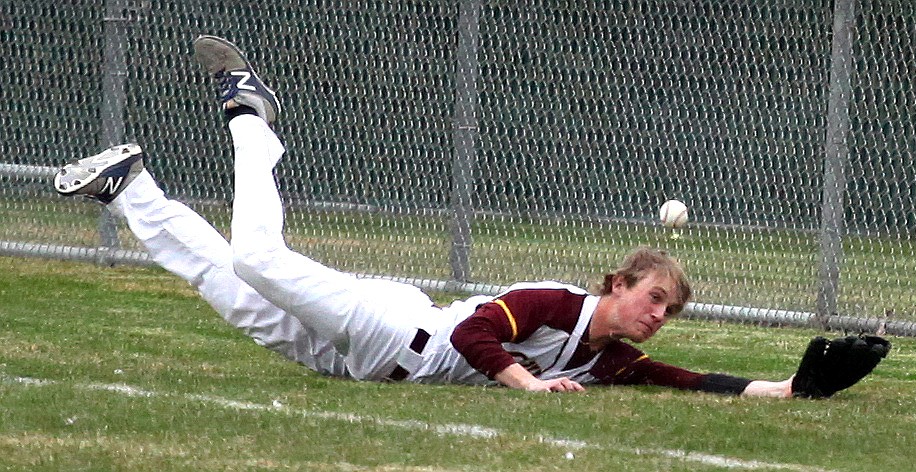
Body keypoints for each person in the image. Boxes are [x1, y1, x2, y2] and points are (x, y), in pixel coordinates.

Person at [54, 35, 794, 397]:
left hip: (355, 363)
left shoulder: (609, 359)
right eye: (654, 297)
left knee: (220, 279)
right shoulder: (555, 304)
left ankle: (129, 190)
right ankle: (252, 116)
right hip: (392, 327)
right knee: (255, 259)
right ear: (619, 284)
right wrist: (531, 387)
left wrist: (791, 390)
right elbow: (473, 333)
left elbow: (689, 381)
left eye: (669, 308)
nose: (659, 315)